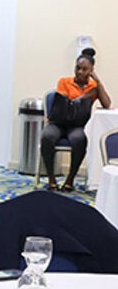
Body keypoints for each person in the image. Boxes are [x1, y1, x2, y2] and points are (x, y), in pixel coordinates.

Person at [41, 48, 111, 191]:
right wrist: (85, 96)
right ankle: (51, 179)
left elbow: (107, 104)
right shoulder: (64, 82)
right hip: (58, 123)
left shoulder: (94, 86)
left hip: (77, 125)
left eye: (84, 69)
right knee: (47, 136)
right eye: (78, 68)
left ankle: (70, 180)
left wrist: (98, 83)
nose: (80, 72)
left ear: (91, 71)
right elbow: (67, 105)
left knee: (80, 140)